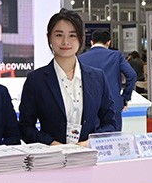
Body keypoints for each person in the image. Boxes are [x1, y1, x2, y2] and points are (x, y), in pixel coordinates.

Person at [18, 9, 117, 144]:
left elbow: (110, 122)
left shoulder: (97, 77)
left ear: (81, 38)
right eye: (59, 35)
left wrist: (90, 142)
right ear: (49, 37)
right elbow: (25, 127)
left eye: (72, 35)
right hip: (52, 154)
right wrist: (51, 143)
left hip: (88, 153)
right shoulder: (36, 80)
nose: (65, 41)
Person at [78, 29, 137, 132]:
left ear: (91, 42)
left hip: (88, 105)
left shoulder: (80, 58)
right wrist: (125, 98)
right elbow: (132, 75)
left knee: (89, 137)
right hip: (113, 103)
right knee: (113, 138)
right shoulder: (116, 56)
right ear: (109, 42)